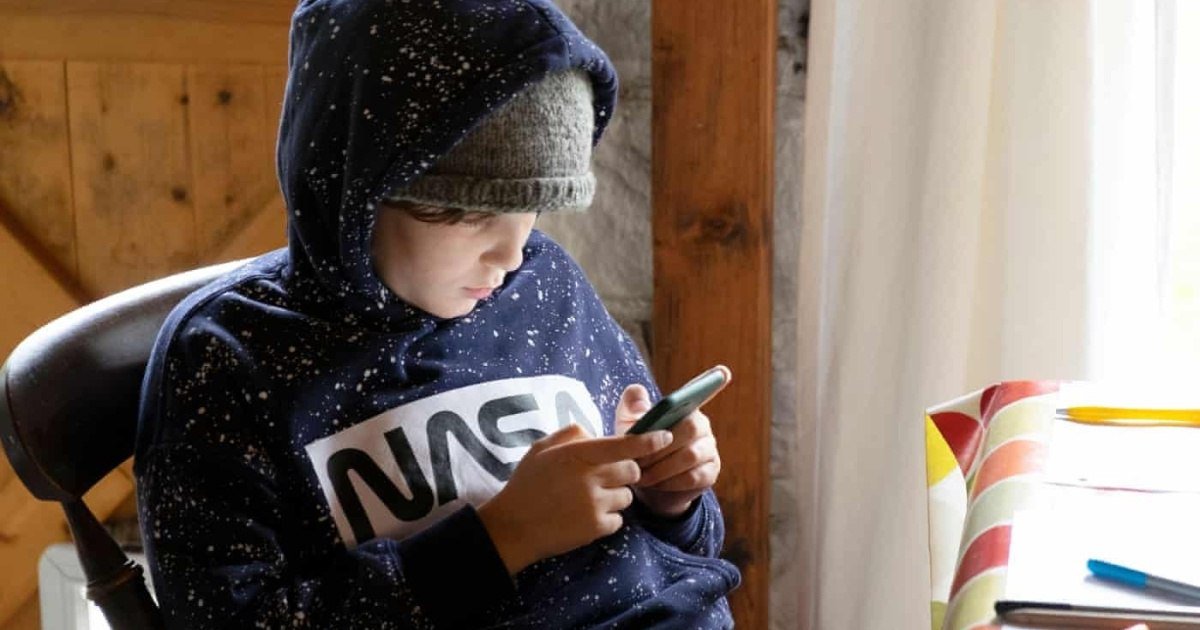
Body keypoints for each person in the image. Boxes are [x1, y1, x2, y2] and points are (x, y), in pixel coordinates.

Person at [134, 0, 741, 627]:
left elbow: (683, 553)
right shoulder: (228, 355)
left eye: (532, 208)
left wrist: (671, 499)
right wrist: (499, 540)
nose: (510, 254)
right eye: (470, 214)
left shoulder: (545, 282)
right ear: (351, 187)